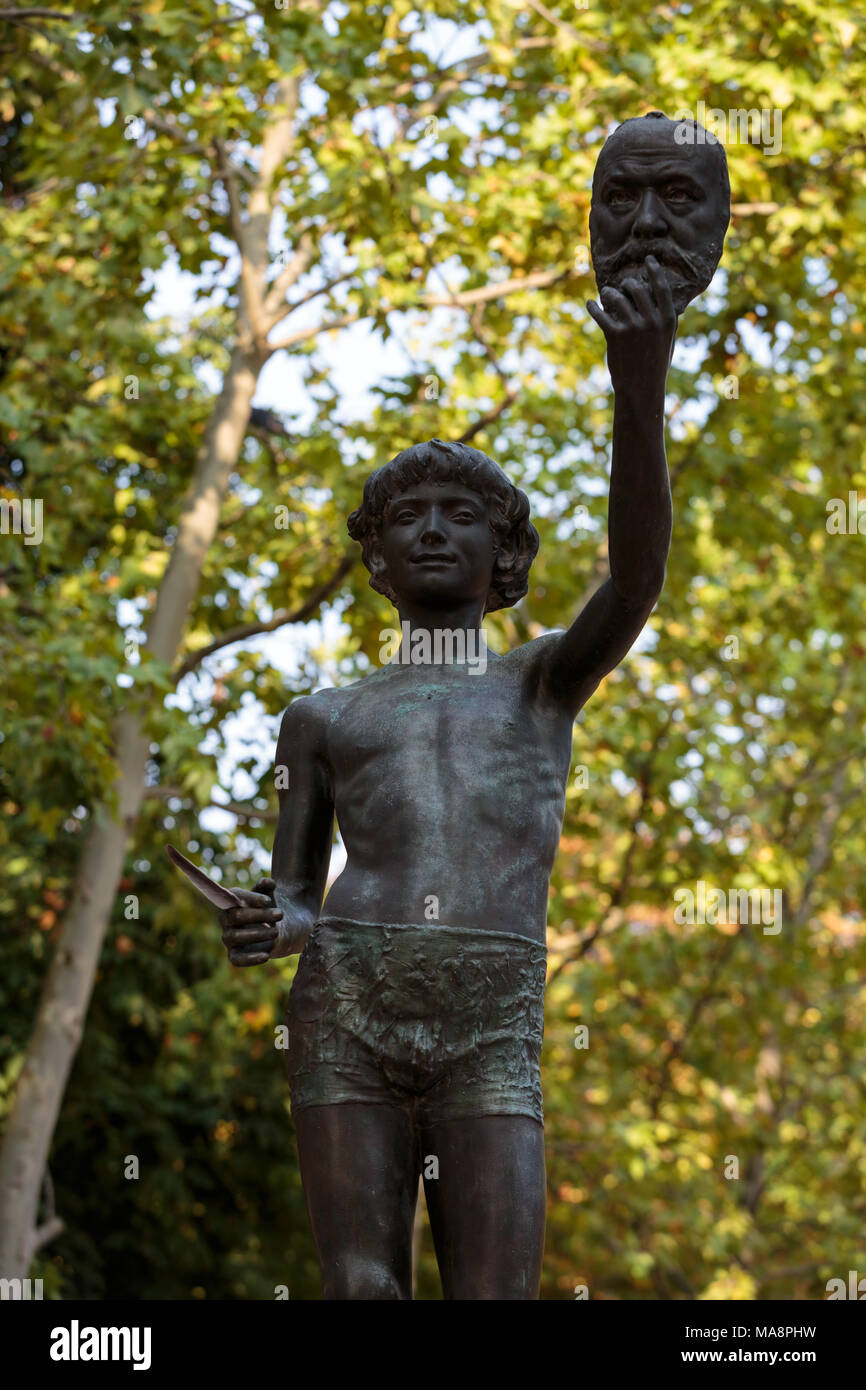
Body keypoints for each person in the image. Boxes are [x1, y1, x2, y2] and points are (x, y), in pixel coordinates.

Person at [216, 112, 729, 1300]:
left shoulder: (541, 680)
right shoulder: (321, 715)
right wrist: (270, 920)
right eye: (409, 518)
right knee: (357, 1285)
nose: (435, 528)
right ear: (376, 560)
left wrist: (636, 384)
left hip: (490, 1001)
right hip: (346, 988)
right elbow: (295, 893)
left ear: (508, 559)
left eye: (465, 516)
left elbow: (639, 572)